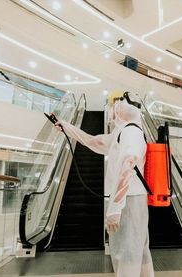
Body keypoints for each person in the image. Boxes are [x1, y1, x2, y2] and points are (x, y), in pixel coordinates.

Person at [54, 93, 154, 277]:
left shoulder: (131, 131)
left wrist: (115, 208)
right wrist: (67, 128)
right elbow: (94, 141)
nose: (115, 106)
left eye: (120, 103)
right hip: (129, 200)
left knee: (127, 252)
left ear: (130, 110)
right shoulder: (122, 132)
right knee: (137, 250)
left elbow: (128, 165)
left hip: (128, 202)